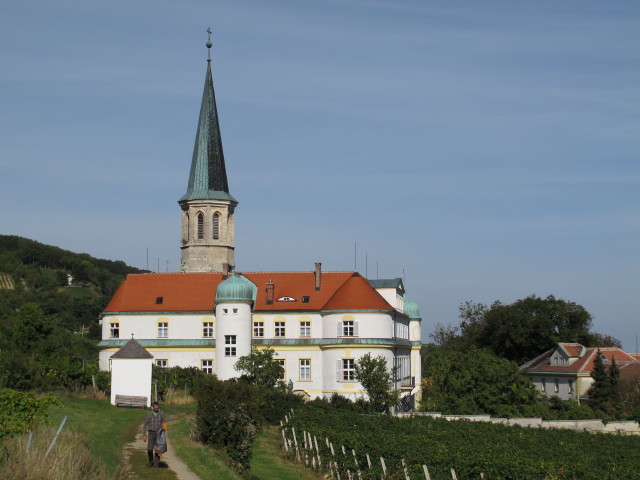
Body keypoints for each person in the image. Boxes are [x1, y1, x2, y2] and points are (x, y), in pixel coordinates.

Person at [142, 401, 165, 468]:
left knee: (158, 450)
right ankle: (150, 461)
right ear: (152, 408)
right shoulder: (149, 414)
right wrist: (144, 435)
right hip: (151, 434)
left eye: (157, 408)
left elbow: (164, 422)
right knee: (149, 449)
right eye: (155, 408)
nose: (156, 409)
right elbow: (145, 425)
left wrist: (164, 427)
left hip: (159, 434)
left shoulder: (161, 414)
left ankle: (156, 463)